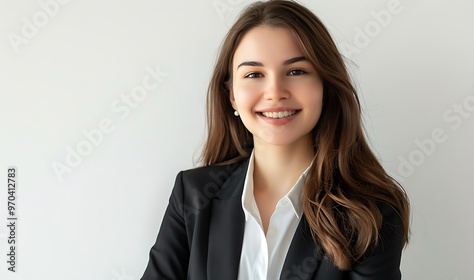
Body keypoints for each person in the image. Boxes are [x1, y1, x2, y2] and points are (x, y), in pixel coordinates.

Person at [141, 0, 410, 279]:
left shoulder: (371, 214)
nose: (274, 92)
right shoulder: (193, 196)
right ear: (232, 94)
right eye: (254, 74)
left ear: (325, 86)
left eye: (296, 71)